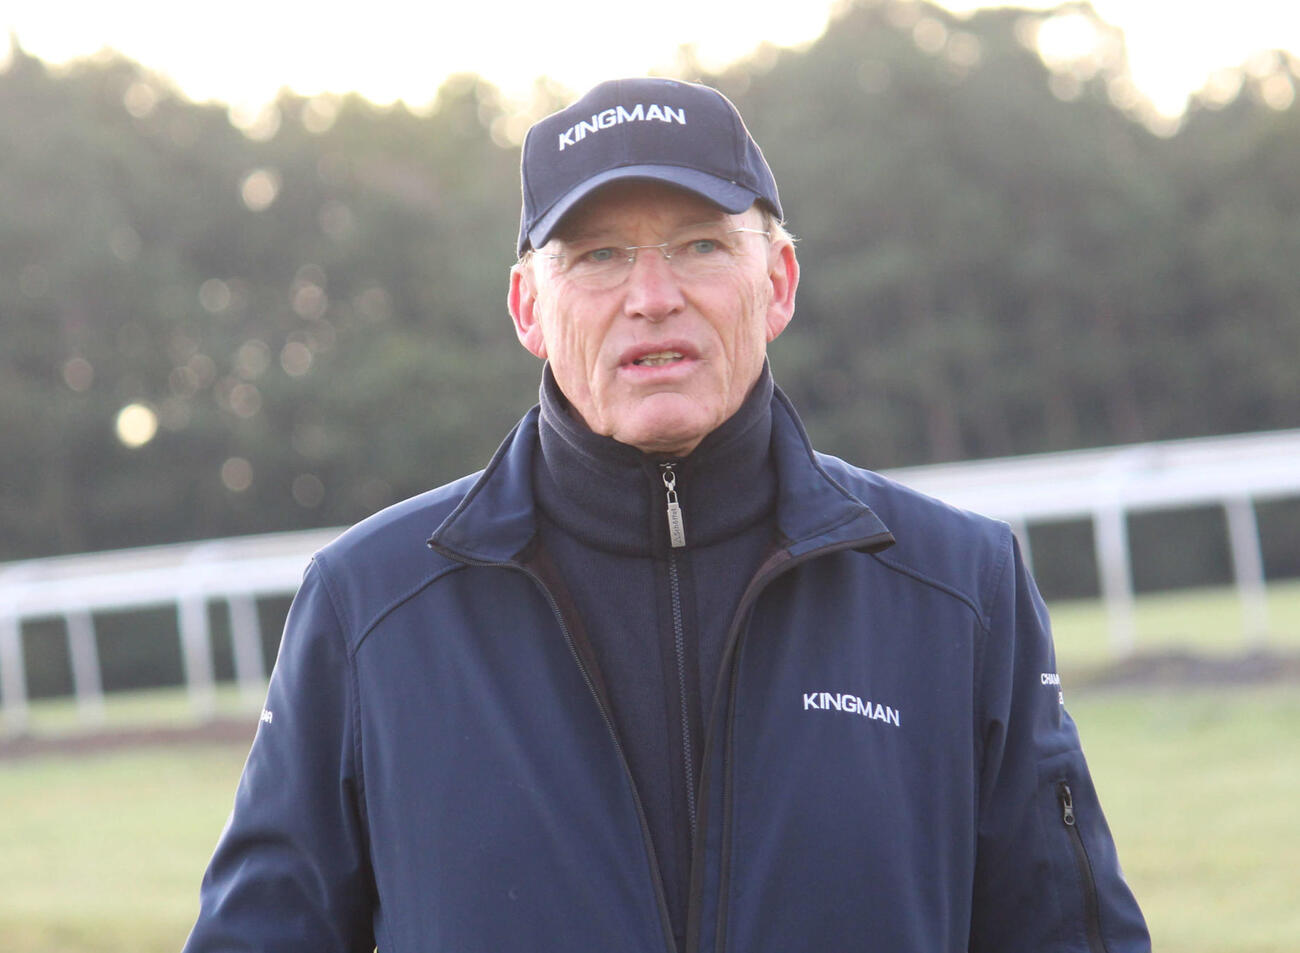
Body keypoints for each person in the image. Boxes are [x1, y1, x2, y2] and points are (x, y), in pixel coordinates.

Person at [184, 78, 1149, 952]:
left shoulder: (959, 587)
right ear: (528, 308)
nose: (652, 298)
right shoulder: (369, 608)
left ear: (778, 283)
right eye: (598, 255)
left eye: (700, 245)